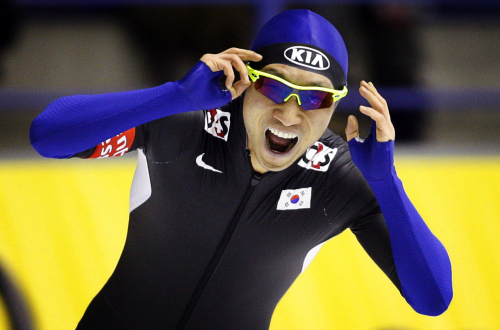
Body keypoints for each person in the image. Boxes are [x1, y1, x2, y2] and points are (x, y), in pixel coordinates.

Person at [30, 9, 452, 330]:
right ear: (247, 79)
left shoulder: (339, 178)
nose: (288, 115)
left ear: (335, 106)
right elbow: (47, 136)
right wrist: (174, 96)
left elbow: (433, 298)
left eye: (314, 98)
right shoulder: (185, 121)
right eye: (274, 86)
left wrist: (386, 183)